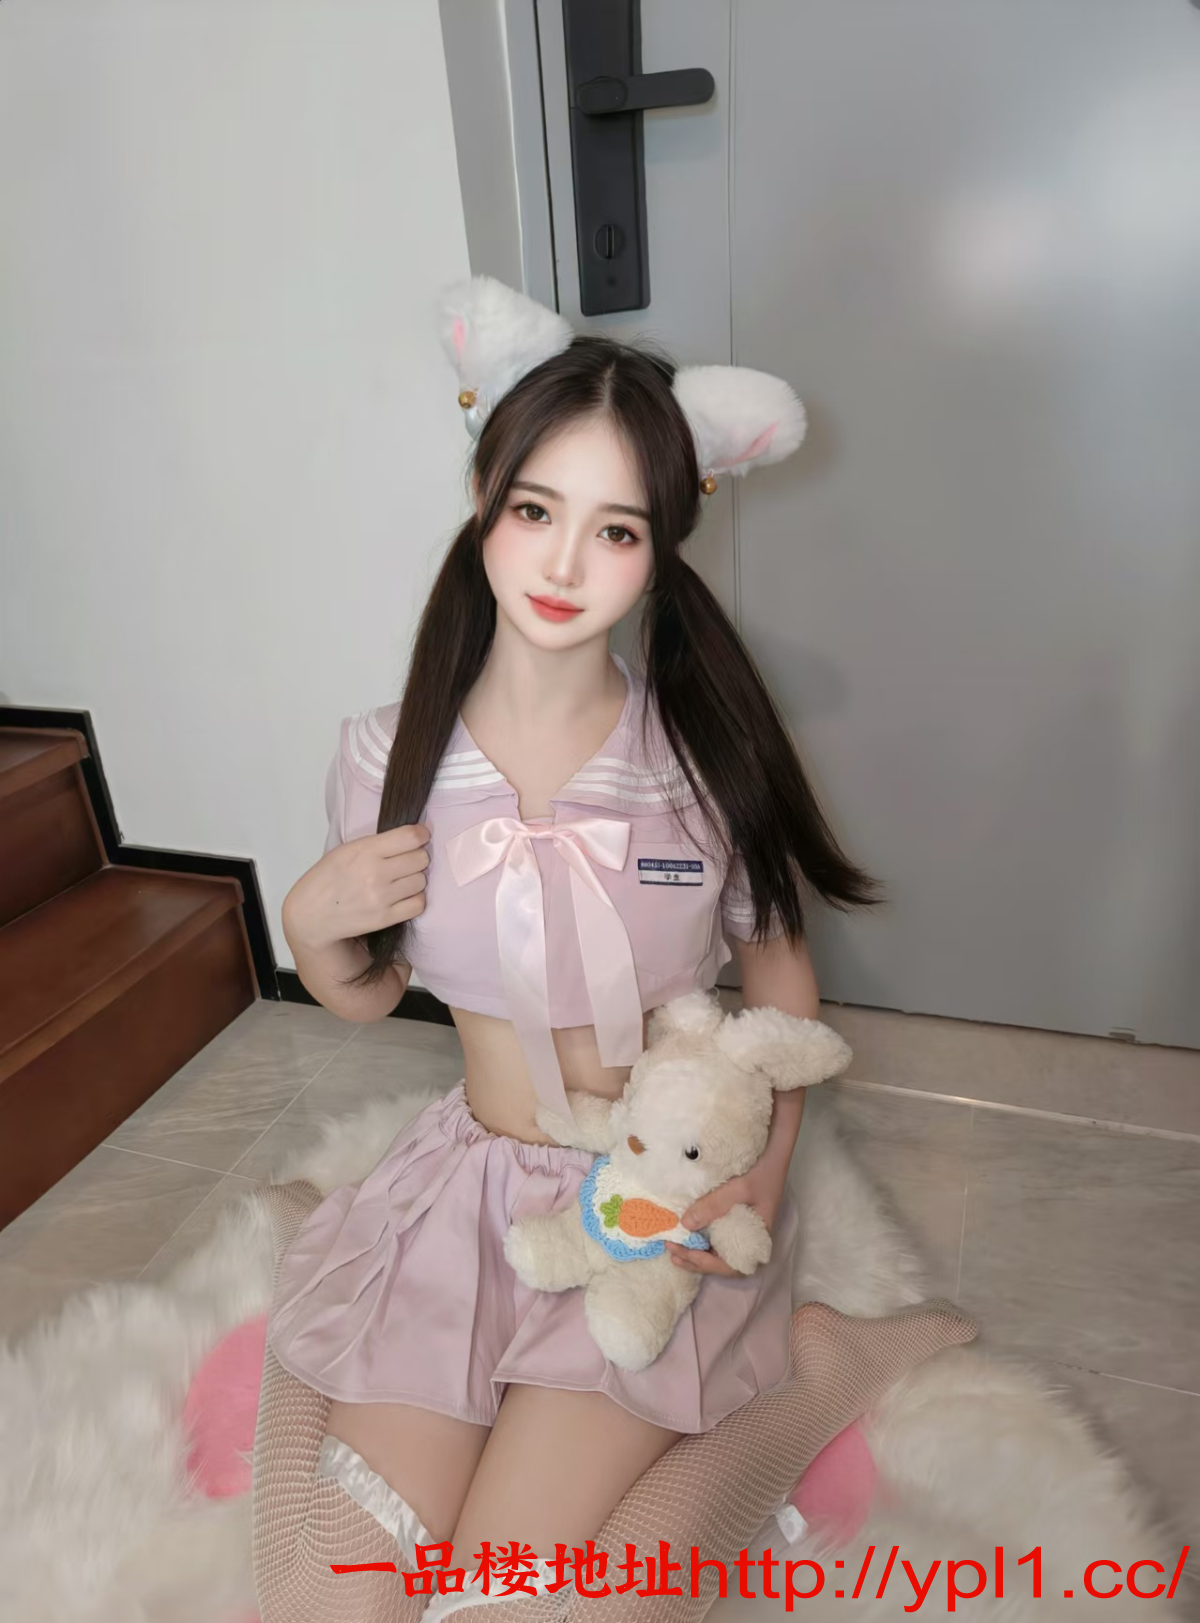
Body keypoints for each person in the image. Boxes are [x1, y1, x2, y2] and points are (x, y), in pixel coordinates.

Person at [250, 277, 977, 1623]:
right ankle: (347, 1261)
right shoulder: (385, 757)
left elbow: (779, 978)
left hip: (649, 1198)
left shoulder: (700, 762)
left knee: (520, 1601)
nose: (565, 565)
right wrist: (308, 927)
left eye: (617, 529)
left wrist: (751, 1185)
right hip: (470, 1199)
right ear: (485, 499)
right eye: (536, 510)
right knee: (325, 1597)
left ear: (662, 551)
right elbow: (373, 993)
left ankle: (813, 1377)